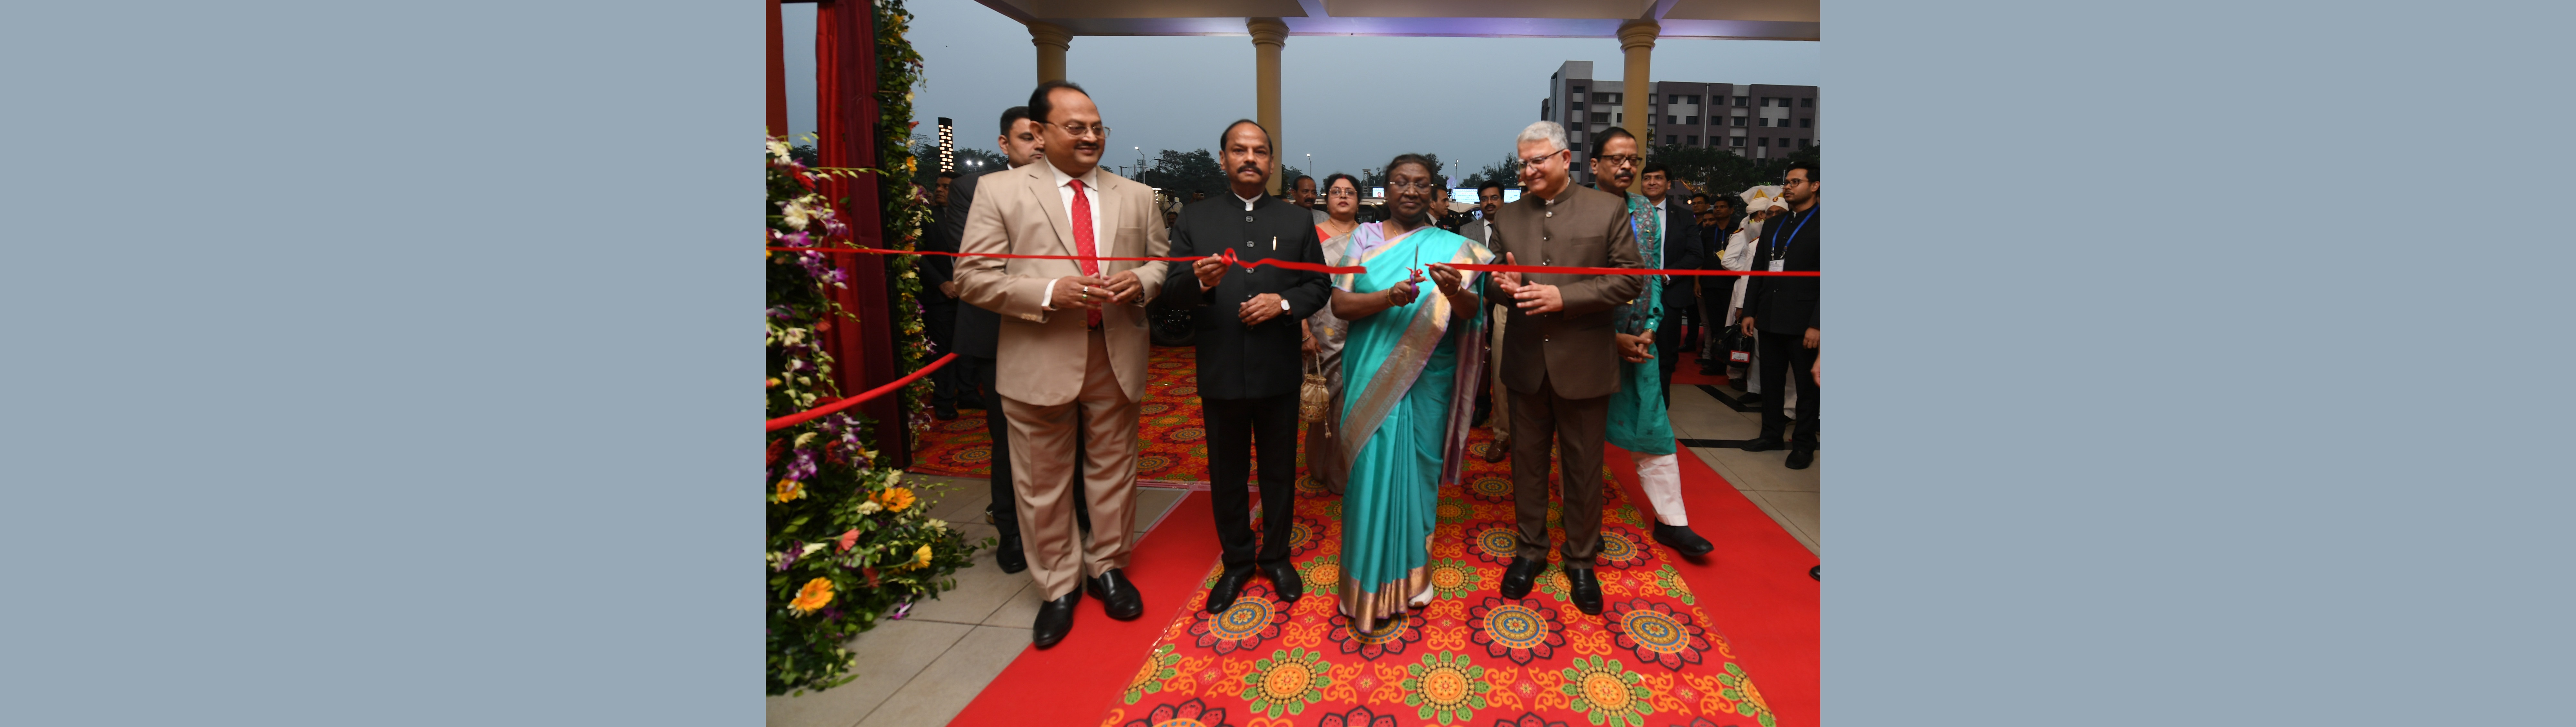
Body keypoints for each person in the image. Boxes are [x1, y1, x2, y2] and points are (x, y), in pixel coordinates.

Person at [953, 81, 1171, 648]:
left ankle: (1107, 568)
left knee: (1113, 472)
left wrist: (1139, 282)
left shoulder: (1136, 195)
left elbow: (1159, 263)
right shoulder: (999, 191)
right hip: (1040, 356)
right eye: (1076, 127)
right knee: (1041, 482)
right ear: (1042, 132)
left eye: (1097, 127)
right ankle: (1057, 586)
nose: (1091, 136)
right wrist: (1050, 293)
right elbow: (972, 278)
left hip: (1116, 351)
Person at [1164, 121, 1330, 613]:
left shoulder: (1298, 221)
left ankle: (1277, 557)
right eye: (1240, 150)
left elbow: (1317, 287)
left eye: (1260, 151)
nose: (1250, 158)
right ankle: (1237, 562)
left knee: (1279, 471)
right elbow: (1172, 294)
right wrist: (1201, 282)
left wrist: (1282, 305)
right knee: (1228, 473)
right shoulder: (1194, 219)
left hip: (1276, 367)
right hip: (1220, 368)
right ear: (1223, 159)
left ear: (1273, 164)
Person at [1486, 121, 1644, 616]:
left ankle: (1580, 559)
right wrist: (1501, 285)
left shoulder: (1608, 208)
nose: (1529, 170)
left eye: (1539, 160)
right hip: (1526, 361)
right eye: (1523, 163)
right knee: (1527, 465)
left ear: (1566, 159)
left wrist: (1565, 297)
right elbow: (1490, 279)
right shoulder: (1509, 216)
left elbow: (1630, 279)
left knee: (1583, 468)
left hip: (1584, 361)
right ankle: (1530, 551)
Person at [1328, 153, 1492, 630]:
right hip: (1371, 369)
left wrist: (1458, 290)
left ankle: (1415, 575)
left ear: (1434, 190)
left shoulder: (1456, 248)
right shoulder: (1364, 238)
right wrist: (1387, 298)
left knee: (1420, 466)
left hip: (1429, 372)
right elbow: (1340, 304)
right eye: (1401, 182)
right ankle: (1363, 582)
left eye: (1422, 183)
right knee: (1370, 468)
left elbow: (1467, 312)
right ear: (1386, 190)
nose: (1412, 191)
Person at [940, 106, 1089, 577]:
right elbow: (978, 266)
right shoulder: (977, 189)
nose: (1039, 146)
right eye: (1028, 138)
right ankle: (1011, 531)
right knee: (1011, 441)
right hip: (1001, 330)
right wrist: (1047, 285)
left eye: (1044, 137)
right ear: (1006, 145)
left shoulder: (1075, 189)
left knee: (1080, 431)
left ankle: (1078, 516)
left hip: (1069, 328)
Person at [1577, 131, 1713, 557]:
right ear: (1593, 165)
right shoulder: (1572, 210)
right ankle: (1583, 524)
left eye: (1633, 160)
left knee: (1653, 428)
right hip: (1586, 340)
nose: (1626, 168)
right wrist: (1609, 337)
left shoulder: (1645, 212)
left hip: (1639, 340)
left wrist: (1651, 326)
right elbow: (1570, 283)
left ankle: (1673, 523)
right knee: (1582, 436)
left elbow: (1653, 272)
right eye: (1616, 159)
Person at [1738, 161, 1819, 470]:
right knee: (1770, 382)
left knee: (1806, 387)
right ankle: (1771, 434)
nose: (1788, 187)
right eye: (1787, 182)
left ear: (1815, 186)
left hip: (1804, 321)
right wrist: (1750, 310)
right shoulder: (1775, 223)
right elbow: (1759, 270)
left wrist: (1818, 324)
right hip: (1770, 315)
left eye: (1796, 181)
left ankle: (1804, 444)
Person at [1303, 173, 1364, 496]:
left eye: (1350, 192)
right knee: (1322, 402)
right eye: (1337, 192)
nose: (1343, 196)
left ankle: (1346, 471)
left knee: (1354, 404)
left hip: (1361, 327)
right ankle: (1320, 464)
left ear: (1359, 200)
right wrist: (1303, 332)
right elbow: (1298, 287)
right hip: (1321, 329)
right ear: (1327, 199)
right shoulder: (1311, 236)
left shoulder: (1370, 237)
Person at [1456, 181, 1512, 463]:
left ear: (1503, 200)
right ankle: (1476, 410)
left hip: (1507, 303)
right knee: (1474, 362)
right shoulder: (1468, 232)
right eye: (1485, 199)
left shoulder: (1516, 226)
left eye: (1495, 198)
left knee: (1506, 370)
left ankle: (1509, 431)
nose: (1490, 203)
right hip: (1474, 305)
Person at [1720, 189, 1783, 402]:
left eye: (1778, 213)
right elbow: (1749, 277)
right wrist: (1744, 308)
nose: (1770, 218)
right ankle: (1755, 389)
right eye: (1769, 214)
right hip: (1757, 302)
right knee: (1754, 349)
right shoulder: (1757, 242)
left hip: (1782, 303)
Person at [923, 170, 972, 421]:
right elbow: (916, 255)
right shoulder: (926, 219)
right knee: (944, 352)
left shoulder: (973, 219)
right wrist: (941, 282)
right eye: (938, 186)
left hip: (972, 294)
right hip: (941, 296)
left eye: (947, 187)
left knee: (969, 348)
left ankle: (969, 393)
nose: (940, 190)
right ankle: (944, 401)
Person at [1695, 195, 1738, 375]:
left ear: (1732, 210)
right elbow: (1700, 258)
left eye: (1723, 207)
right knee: (1713, 324)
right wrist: (1696, 282)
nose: (1719, 210)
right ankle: (1715, 362)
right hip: (1709, 283)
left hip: (1730, 284)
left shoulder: (1737, 230)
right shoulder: (1707, 232)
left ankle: (1731, 365)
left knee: (1730, 325)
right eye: (1717, 207)